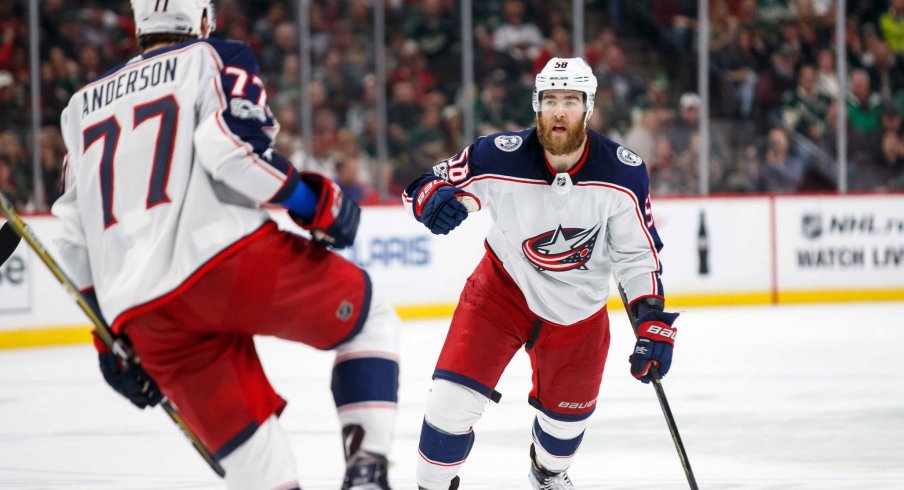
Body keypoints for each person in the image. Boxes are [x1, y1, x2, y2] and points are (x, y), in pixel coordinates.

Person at [50, 2, 400, 489]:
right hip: (224, 261)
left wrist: (107, 337)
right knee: (369, 318)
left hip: (143, 313)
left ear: (136, 26)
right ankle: (366, 473)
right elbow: (229, 151)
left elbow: (70, 235)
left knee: (261, 468)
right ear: (203, 21)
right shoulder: (214, 55)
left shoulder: (80, 105)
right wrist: (313, 202)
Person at [403, 57, 680, 489]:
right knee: (448, 407)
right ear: (537, 106)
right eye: (550, 99)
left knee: (563, 435)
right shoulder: (497, 156)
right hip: (501, 292)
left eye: (571, 100)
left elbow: (636, 255)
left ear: (588, 108)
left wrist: (653, 322)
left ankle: (547, 475)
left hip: (579, 312)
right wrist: (428, 200)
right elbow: (426, 185)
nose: (560, 111)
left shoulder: (623, 173)